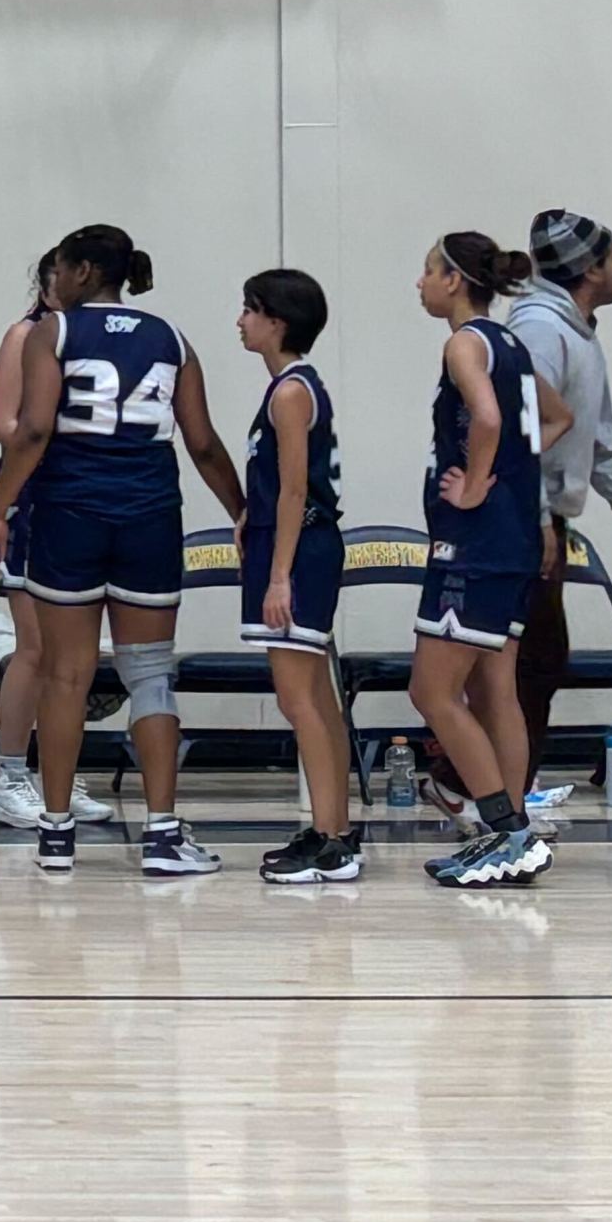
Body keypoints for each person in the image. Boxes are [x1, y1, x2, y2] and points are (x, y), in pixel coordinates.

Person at [0, 227, 244, 878]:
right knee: (149, 673)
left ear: (83, 271)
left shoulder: (55, 333)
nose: (53, 281)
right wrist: (242, 510)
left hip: (70, 514)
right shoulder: (171, 338)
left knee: (66, 674)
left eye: (60, 269)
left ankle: (57, 832)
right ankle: (160, 834)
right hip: (149, 515)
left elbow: (35, 428)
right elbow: (203, 442)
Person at [404, 233, 555, 888]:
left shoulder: (464, 342)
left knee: (431, 690)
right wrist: (513, 475)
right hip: (515, 535)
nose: (420, 282)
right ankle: (515, 827)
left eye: (428, 270)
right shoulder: (512, 343)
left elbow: (488, 419)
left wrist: (474, 482)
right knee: (496, 691)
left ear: (455, 281)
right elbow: (560, 416)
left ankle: (504, 828)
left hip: (477, 541)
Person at [506, 209, 612, 795]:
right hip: (523, 520)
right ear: (591, 269)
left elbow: (597, 431)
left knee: (537, 660)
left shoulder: (577, 331)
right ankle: (483, 790)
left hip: (544, 517)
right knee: (526, 661)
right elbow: (523, 430)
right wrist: (540, 517)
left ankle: (504, 789)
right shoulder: (543, 330)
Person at [0, 253, 110, 835]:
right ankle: (8, 776)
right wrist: (53, 430)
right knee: (32, 645)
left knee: (69, 654)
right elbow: (0, 422)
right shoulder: (26, 334)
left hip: (80, 498)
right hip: (30, 495)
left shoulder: (94, 339)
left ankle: (55, 770)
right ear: (49, 282)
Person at [235, 270, 360, 886]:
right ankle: (334, 829)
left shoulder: (290, 392)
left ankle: (330, 838)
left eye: (249, 310)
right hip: (295, 542)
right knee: (319, 701)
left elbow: (293, 490)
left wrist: (278, 575)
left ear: (277, 321)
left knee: (298, 699)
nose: (241, 321)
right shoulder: (292, 388)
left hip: (300, 549)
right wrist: (245, 515)